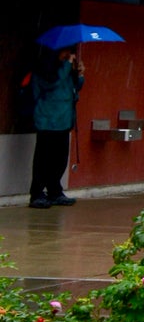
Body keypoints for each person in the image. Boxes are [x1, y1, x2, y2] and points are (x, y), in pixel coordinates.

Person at [27, 45, 85, 208]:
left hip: (64, 120)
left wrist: (79, 74)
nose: (69, 55)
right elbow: (51, 84)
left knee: (60, 159)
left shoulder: (66, 69)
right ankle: (37, 193)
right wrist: (67, 66)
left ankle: (55, 190)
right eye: (65, 52)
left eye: (70, 52)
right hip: (47, 120)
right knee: (43, 159)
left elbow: (75, 88)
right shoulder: (45, 69)